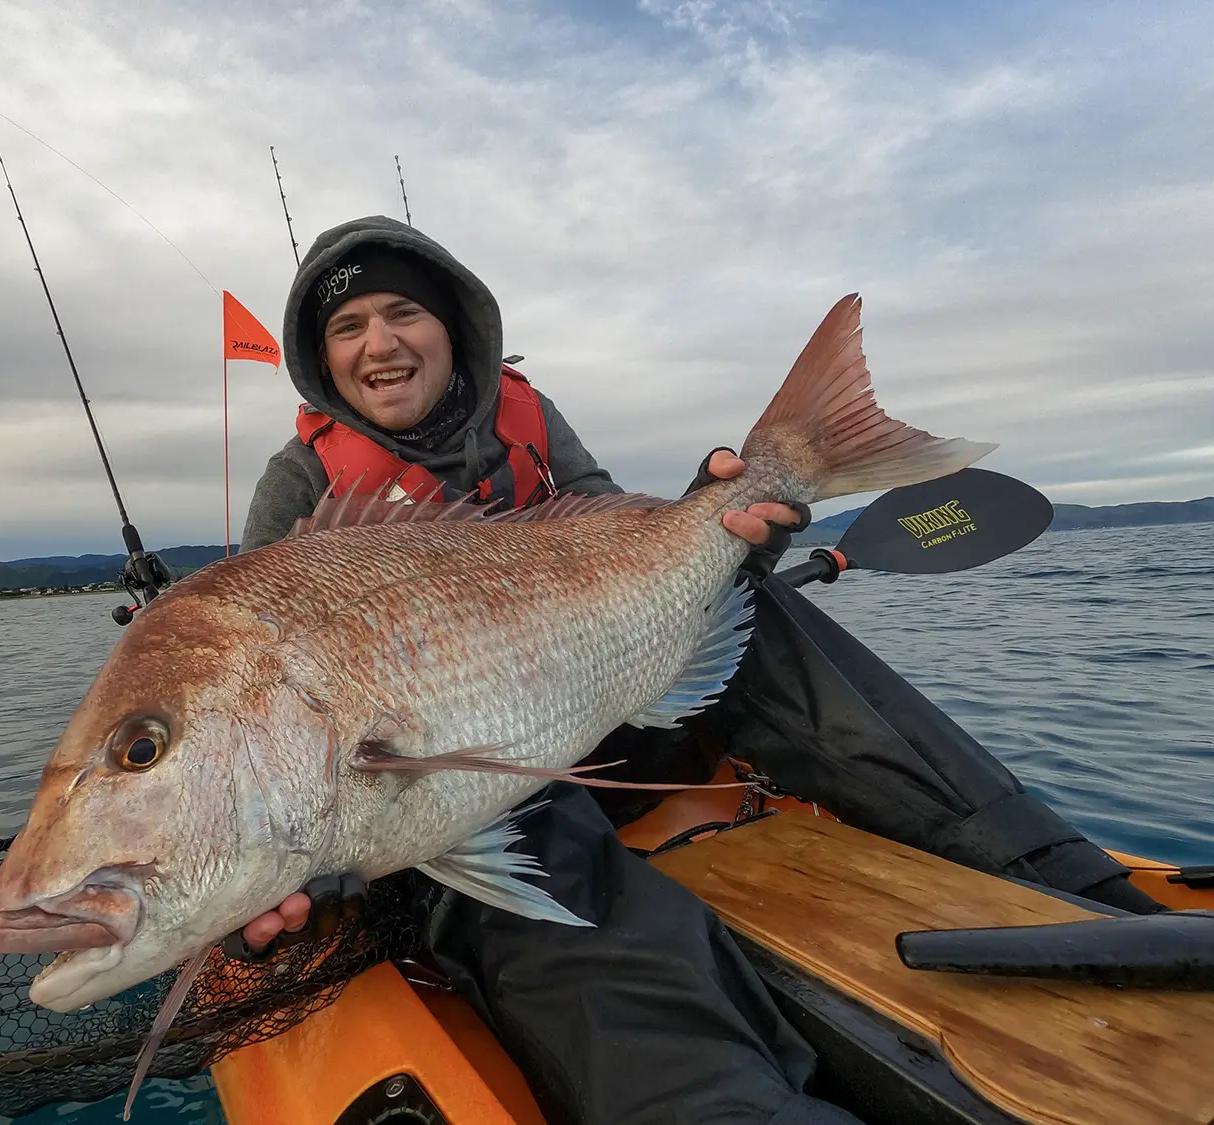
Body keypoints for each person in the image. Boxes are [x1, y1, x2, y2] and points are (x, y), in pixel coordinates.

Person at [230, 215, 860, 1125]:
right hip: (467, 775)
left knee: (784, 624)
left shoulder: (526, 416)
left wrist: (716, 530)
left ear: (452, 326)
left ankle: (1031, 858)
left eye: (403, 311)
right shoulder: (296, 486)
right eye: (346, 326)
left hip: (596, 693)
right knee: (580, 920)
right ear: (324, 361)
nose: (380, 343)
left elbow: (610, 524)